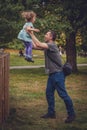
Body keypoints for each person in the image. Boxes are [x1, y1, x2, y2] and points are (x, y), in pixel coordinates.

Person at [27, 29, 76, 123]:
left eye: (46, 34)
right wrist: (26, 38)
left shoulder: (52, 45)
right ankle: (51, 113)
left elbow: (39, 44)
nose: (45, 35)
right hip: (52, 75)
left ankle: (71, 114)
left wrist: (31, 33)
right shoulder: (47, 46)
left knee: (63, 94)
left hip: (58, 74)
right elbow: (35, 45)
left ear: (51, 37)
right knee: (49, 93)